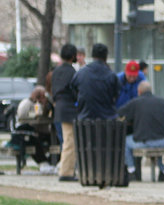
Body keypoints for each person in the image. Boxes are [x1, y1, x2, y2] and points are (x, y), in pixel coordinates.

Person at [117, 81, 164, 182]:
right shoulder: (162, 102)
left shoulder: (135, 102)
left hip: (143, 142)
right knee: (161, 142)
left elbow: (120, 113)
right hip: (162, 141)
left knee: (125, 141)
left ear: (139, 92)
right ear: (151, 91)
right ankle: (162, 172)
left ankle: (131, 170)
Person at [51, 43, 79, 182]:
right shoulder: (72, 72)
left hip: (58, 108)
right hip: (68, 108)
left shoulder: (56, 71)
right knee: (70, 142)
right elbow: (75, 91)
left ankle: (65, 169)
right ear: (73, 56)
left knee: (64, 140)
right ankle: (66, 172)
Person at [71, 43, 119, 121]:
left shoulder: (81, 74)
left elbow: (73, 91)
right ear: (106, 57)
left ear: (92, 56)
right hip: (107, 122)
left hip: (84, 120)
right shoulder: (112, 75)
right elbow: (116, 95)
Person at [12, 86, 51, 167]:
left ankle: (49, 162)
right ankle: (45, 163)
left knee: (54, 140)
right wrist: (35, 115)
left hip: (38, 130)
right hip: (27, 131)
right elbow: (22, 116)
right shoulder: (26, 103)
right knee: (37, 143)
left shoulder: (37, 103)